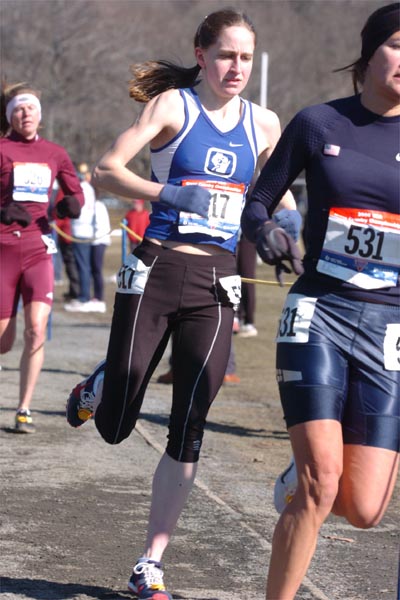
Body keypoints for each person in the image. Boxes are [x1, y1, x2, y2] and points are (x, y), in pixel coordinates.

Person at [65, 9, 299, 598]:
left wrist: (284, 231)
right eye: (226, 55)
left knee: (190, 421)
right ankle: (100, 388)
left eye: (245, 57)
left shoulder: (265, 124)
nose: (236, 67)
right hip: (156, 267)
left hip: (217, 282)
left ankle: (151, 563)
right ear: (201, 54)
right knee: (117, 425)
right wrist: (172, 191)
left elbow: (282, 200)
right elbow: (107, 170)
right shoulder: (174, 106)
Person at [241, 4, 400, 598]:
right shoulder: (317, 124)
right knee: (320, 487)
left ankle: (303, 475)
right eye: (398, 45)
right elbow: (257, 202)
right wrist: (269, 235)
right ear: (368, 55)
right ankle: (309, 479)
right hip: (320, 313)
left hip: (389, 327)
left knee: (362, 509)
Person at [0, 82, 84, 433]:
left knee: (36, 331)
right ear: (10, 115)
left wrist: (72, 204)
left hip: (38, 249)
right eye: (19, 109)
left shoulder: (55, 153)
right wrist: (3, 210)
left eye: (31, 108)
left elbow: (75, 192)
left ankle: (24, 408)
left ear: (40, 114)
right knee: (3, 342)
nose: (25, 114)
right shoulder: (2, 149)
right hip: (3, 249)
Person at [64, 162, 98, 313]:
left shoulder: (81, 188)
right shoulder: (90, 188)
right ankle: (84, 294)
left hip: (80, 229)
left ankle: (84, 296)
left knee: (82, 266)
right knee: (84, 265)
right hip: (86, 229)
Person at [90, 198, 111, 313]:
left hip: (98, 240)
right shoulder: (98, 205)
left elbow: (97, 224)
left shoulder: (97, 206)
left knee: (97, 269)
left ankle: (99, 297)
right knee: (94, 269)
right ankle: (96, 296)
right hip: (96, 240)